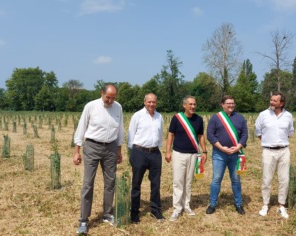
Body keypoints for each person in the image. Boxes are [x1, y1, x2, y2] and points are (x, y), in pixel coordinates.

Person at [73, 84, 124, 234]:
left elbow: (120, 129)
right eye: (108, 97)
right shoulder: (91, 106)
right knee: (88, 183)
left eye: (113, 98)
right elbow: (81, 127)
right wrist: (77, 151)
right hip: (92, 147)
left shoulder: (118, 108)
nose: (110, 101)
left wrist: (119, 150)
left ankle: (107, 214)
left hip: (111, 148)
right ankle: (83, 219)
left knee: (110, 182)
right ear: (102, 93)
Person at [165, 96, 208, 221]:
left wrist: (204, 151)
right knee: (178, 181)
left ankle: (187, 205)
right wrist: (168, 152)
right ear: (184, 105)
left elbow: (200, 136)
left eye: (194, 104)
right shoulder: (177, 118)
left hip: (193, 154)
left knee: (188, 181)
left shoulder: (199, 119)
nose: (193, 106)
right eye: (190, 104)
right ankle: (177, 208)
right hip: (178, 153)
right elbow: (170, 135)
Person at [206, 95, 248, 215]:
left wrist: (238, 147)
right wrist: (221, 148)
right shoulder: (215, 118)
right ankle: (212, 204)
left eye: (233, 103)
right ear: (222, 104)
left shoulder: (240, 118)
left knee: (236, 180)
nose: (231, 105)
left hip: (236, 154)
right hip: (219, 154)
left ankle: (238, 204)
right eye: (228, 103)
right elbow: (210, 135)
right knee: (216, 179)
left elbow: (245, 134)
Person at [255, 92, 294, 219]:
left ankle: (281, 206)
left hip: (284, 151)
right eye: (271, 100)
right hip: (268, 151)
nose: (271, 102)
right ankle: (265, 205)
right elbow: (258, 132)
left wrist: (279, 143)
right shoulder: (263, 115)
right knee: (267, 179)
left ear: (281, 103)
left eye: (274, 101)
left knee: (284, 179)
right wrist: (269, 143)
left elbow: (289, 132)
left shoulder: (288, 116)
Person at [127, 93, 165, 223]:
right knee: (136, 183)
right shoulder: (137, 116)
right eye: (149, 102)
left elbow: (160, 134)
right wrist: (133, 152)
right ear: (144, 102)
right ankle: (134, 212)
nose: (151, 104)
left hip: (155, 153)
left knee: (156, 183)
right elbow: (131, 134)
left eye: (154, 102)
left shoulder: (159, 116)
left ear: (156, 103)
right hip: (139, 152)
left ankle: (155, 210)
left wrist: (158, 147)